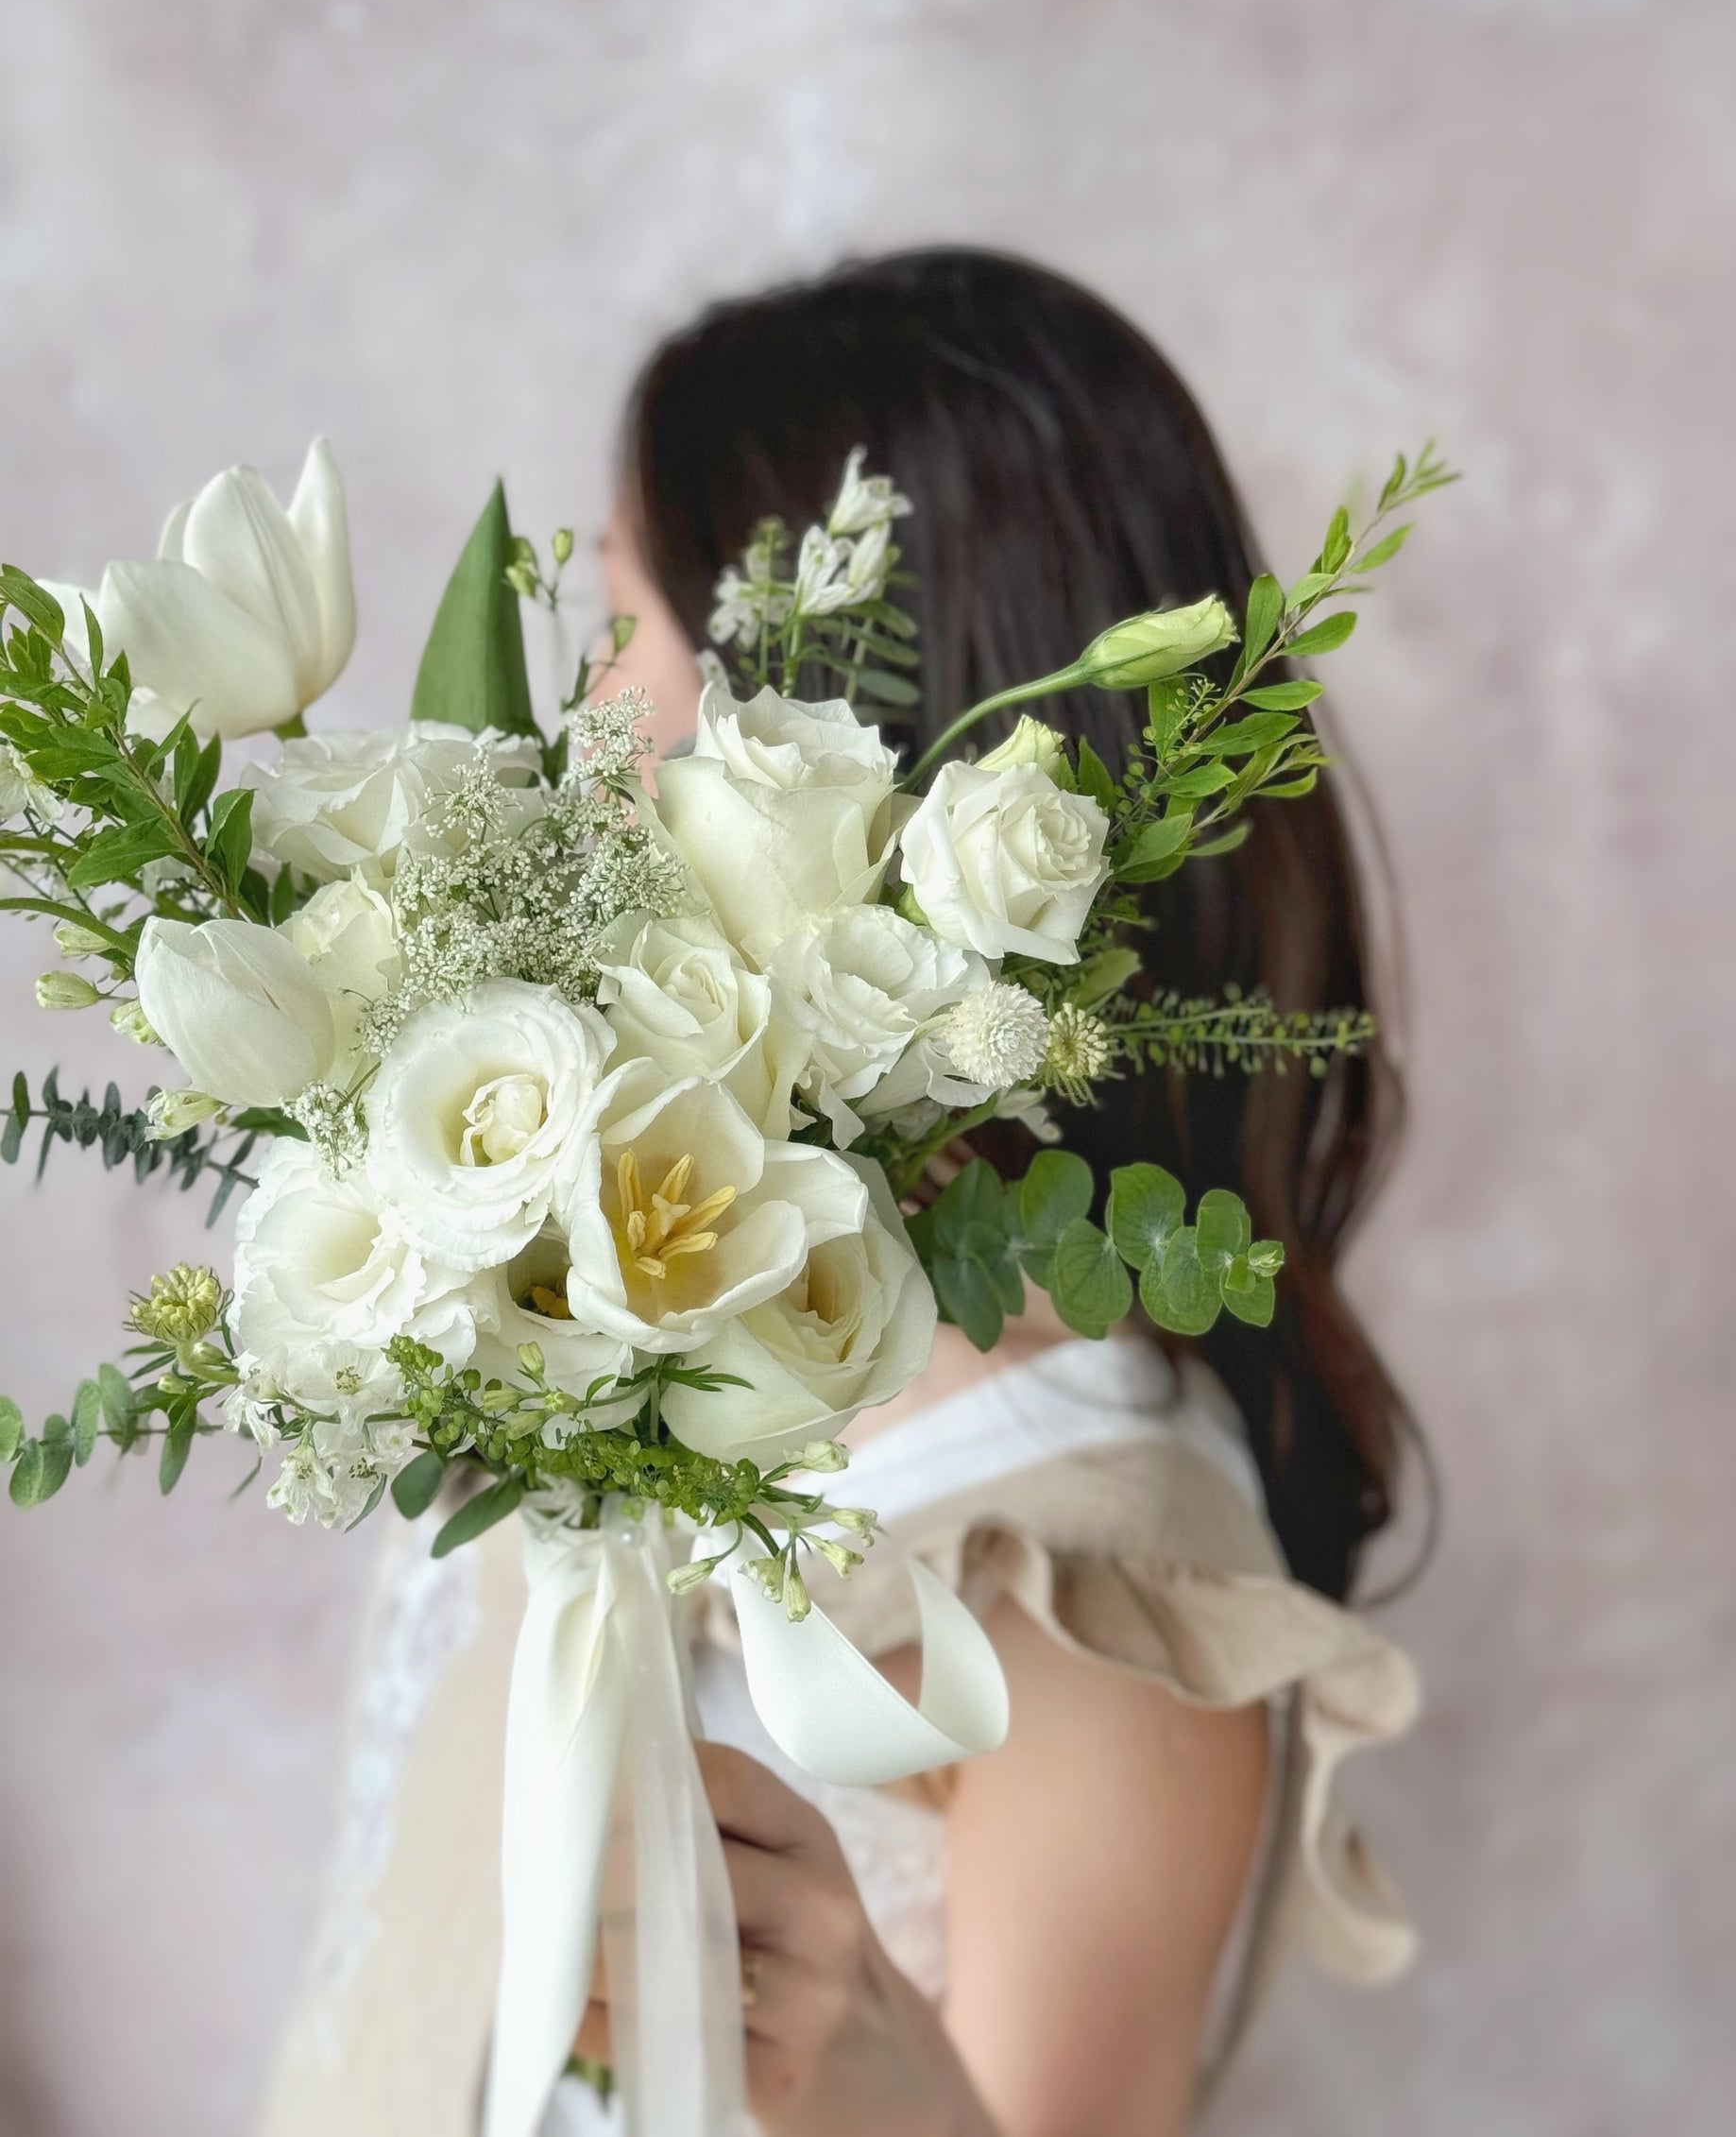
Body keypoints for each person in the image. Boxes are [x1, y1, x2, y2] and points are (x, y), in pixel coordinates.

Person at [256, 249, 1419, 2137]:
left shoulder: (1088, 1585)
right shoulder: (621, 1270)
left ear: (847, 736)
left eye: (627, 625)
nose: (578, 728)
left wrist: (870, 2067)